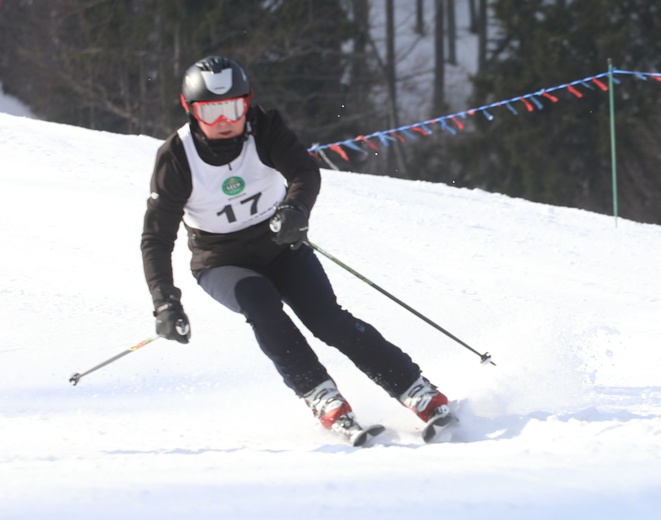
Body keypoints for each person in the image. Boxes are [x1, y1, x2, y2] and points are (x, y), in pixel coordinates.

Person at [141, 56, 450, 444]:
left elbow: (304, 171)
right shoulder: (176, 158)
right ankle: (322, 397)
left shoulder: (264, 128)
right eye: (211, 110)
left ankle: (417, 390)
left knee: (327, 320)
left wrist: (295, 209)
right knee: (260, 302)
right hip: (220, 260)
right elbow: (156, 237)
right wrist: (165, 301)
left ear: (247, 102)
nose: (224, 120)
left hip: (280, 243)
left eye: (233, 107)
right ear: (191, 110)